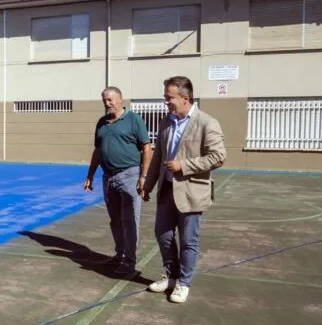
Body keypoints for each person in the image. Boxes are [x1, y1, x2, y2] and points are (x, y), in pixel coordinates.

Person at [142, 76, 226, 304]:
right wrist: (148, 183)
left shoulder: (207, 122)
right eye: (165, 97)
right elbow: (158, 155)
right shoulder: (166, 122)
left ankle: (183, 283)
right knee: (163, 235)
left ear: (185, 98)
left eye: (169, 97)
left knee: (189, 240)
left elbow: (218, 157)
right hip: (166, 189)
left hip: (191, 191)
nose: (165, 101)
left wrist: (184, 166)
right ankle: (171, 276)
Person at [84, 86, 152, 277]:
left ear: (121, 100)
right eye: (105, 100)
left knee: (130, 220)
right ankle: (120, 254)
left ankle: (129, 262)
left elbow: (147, 148)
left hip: (129, 176)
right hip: (108, 178)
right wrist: (90, 175)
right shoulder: (102, 123)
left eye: (111, 100)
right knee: (115, 220)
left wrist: (143, 176)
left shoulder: (133, 119)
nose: (108, 104)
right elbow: (98, 151)